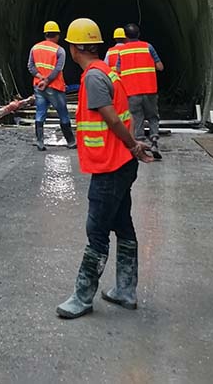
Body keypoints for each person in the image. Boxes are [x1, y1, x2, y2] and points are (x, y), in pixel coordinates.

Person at [57, 17, 154, 320]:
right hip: (119, 164)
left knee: (96, 231)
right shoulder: (108, 72)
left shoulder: (93, 79)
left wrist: (133, 146)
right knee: (122, 223)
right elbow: (123, 118)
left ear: (74, 48)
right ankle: (125, 290)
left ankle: (82, 296)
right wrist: (132, 147)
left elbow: (112, 119)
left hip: (111, 165)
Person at [118, 23, 164, 160]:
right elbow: (160, 67)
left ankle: (140, 145)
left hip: (131, 91)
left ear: (125, 36)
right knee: (153, 117)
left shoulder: (122, 51)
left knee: (136, 118)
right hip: (149, 89)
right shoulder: (148, 47)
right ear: (139, 34)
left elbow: (119, 70)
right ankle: (154, 141)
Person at [28, 20, 76, 151]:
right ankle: (71, 141)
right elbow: (57, 69)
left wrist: (40, 78)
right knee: (63, 113)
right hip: (55, 87)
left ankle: (40, 142)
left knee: (40, 113)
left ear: (45, 34)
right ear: (57, 35)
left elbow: (30, 67)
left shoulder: (35, 48)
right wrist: (47, 81)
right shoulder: (60, 50)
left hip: (39, 86)